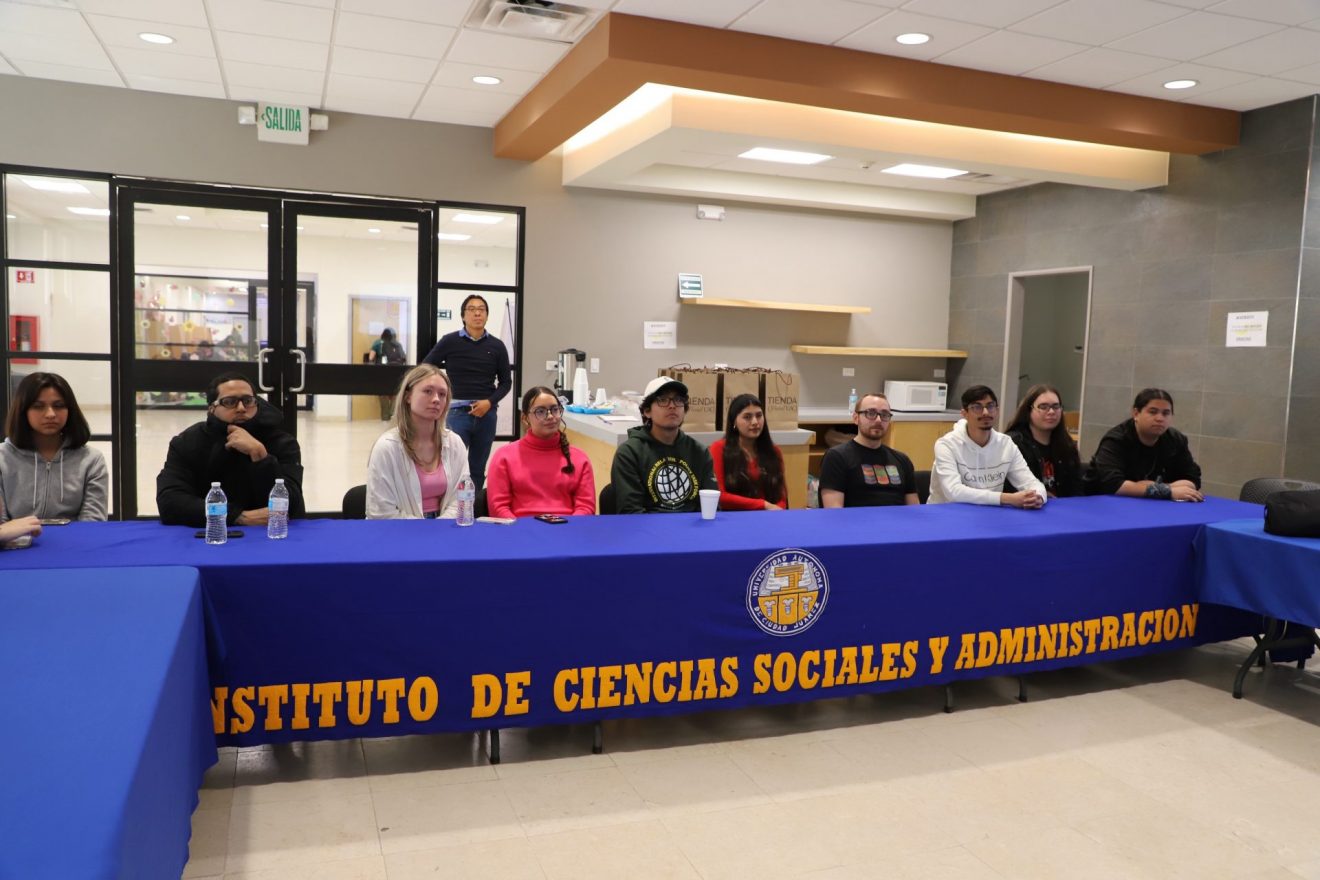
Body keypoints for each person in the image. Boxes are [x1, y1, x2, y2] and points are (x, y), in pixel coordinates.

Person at [156, 371, 305, 526]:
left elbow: (291, 505)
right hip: (214, 533)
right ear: (212, 408)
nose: (241, 408)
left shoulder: (282, 442)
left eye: (248, 401)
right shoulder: (188, 442)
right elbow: (170, 501)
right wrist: (236, 516)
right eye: (229, 402)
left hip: (272, 532)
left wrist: (261, 456)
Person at [422, 295, 511, 492]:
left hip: (486, 413)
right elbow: (426, 367)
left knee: (478, 468)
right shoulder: (450, 341)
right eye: (471, 309)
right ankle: (451, 505)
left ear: (487, 315)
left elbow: (506, 382)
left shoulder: (497, 346)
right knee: (452, 466)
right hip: (456, 413)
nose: (477, 313)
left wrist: (489, 402)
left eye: (482, 309)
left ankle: (473, 505)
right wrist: (442, 392)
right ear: (463, 316)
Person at [0, 371, 109, 522]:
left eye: (59, 406)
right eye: (38, 406)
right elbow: (2, 526)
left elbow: (93, 522)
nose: (50, 414)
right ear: (23, 411)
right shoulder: (3, 458)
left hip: (76, 537)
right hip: (18, 537)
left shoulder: (92, 460)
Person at [366, 364, 470, 518]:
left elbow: (461, 501)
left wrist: (439, 527)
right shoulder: (386, 447)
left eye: (442, 394)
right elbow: (381, 513)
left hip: (445, 526)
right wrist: (424, 529)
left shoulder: (455, 443)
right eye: (428, 391)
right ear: (408, 396)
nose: (436, 399)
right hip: (400, 529)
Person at [611, 375, 717, 513]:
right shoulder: (629, 453)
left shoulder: (699, 452)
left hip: (690, 525)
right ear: (647, 411)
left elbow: (711, 506)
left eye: (678, 400)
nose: (672, 406)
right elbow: (630, 512)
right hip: (647, 525)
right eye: (663, 400)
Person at [928, 385, 1046, 508]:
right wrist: (1007, 498)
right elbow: (953, 492)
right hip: (946, 513)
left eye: (990, 406)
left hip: (988, 513)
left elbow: (1031, 482)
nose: (985, 412)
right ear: (964, 413)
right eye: (977, 407)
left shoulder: (1006, 444)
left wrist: (1038, 497)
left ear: (997, 410)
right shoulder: (946, 445)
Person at [485, 386, 595, 517]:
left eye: (555, 409)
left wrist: (569, 527)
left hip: (568, 527)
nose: (550, 416)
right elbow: (498, 507)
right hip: (519, 527)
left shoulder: (579, 458)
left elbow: (586, 507)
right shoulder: (504, 457)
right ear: (525, 418)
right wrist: (519, 528)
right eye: (540, 411)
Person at [1083, 388, 1203, 501]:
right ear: (1136, 413)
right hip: (1102, 503)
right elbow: (1114, 485)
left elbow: (1193, 479)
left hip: (1152, 505)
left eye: (1166, 413)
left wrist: (1159, 487)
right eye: (1153, 412)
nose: (1160, 418)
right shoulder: (1116, 440)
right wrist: (1168, 491)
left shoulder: (1176, 440)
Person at [819, 392, 918, 507]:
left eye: (884, 415)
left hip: (897, 519)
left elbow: (914, 510)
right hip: (857, 519)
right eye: (871, 413)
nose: (878, 420)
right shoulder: (836, 457)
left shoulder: (902, 460)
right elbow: (834, 512)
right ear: (856, 418)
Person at [1003, 384, 1083, 498]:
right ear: (1028, 410)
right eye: (1043, 407)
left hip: (1063, 506)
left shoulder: (1067, 444)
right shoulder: (1014, 443)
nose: (1051, 412)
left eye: (1056, 406)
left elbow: (1076, 488)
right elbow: (1008, 488)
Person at [710, 394, 787, 510]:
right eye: (747, 417)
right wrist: (763, 505)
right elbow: (720, 496)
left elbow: (782, 498)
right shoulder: (719, 448)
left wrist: (776, 510)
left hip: (769, 516)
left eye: (759, 416)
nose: (755, 422)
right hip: (734, 517)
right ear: (734, 421)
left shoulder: (774, 451)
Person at [369, 328, 407, 420]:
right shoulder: (398, 344)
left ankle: (385, 416)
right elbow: (404, 358)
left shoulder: (378, 343)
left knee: (383, 393)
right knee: (395, 393)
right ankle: (392, 413)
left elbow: (371, 357)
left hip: (382, 371)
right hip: (396, 372)